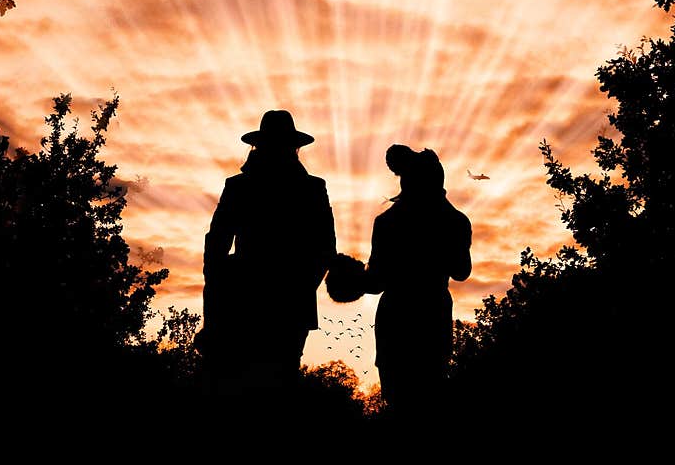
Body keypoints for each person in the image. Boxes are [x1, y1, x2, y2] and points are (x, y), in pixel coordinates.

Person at [201, 110, 336, 396]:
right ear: (295, 147)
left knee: (242, 386)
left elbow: (216, 245)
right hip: (282, 303)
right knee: (279, 385)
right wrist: (300, 286)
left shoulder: (239, 186)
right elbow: (325, 249)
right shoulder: (312, 188)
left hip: (245, 298)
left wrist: (219, 291)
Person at [364, 145, 472, 413]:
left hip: (395, 320)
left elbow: (375, 282)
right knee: (431, 400)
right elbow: (461, 272)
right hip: (432, 317)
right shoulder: (456, 221)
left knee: (399, 401)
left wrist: (352, 276)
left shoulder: (387, 222)